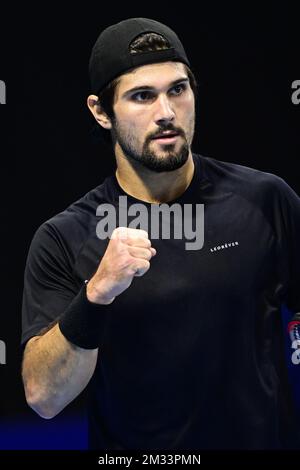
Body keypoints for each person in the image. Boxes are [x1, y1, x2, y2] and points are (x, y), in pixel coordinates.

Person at [21, 17, 300, 450]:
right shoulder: (65, 237)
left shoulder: (266, 200)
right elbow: (44, 398)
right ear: (100, 111)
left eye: (177, 89)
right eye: (142, 96)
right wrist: (95, 295)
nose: (166, 113)